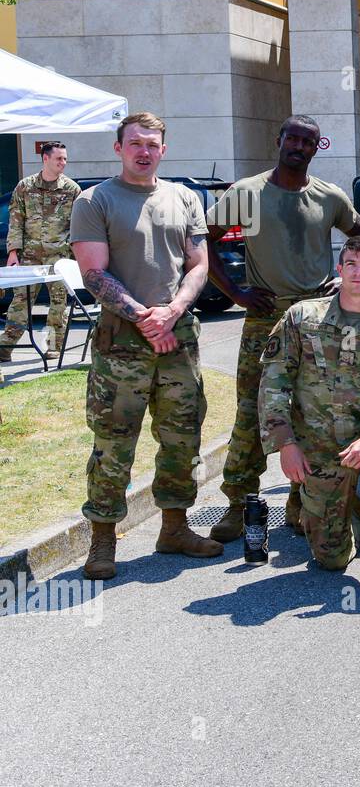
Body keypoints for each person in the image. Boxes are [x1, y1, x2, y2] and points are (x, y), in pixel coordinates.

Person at [70, 113, 221, 580]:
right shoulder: (94, 201)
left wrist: (172, 312)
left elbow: (199, 264)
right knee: (114, 443)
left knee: (182, 439)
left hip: (179, 340)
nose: (144, 151)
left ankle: (174, 528)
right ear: (118, 149)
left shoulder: (184, 198)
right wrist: (146, 318)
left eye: (152, 144)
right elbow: (93, 272)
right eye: (134, 143)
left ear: (163, 149)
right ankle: (102, 542)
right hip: (122, 345)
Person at [205, 115, 360, 543]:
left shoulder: (329, 197)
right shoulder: (247, 193)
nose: (298, 146)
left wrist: (343, 273)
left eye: (307, 141)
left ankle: (303, 501)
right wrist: (236, 293)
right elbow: (203, 239)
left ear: (317, 148)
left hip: (317, 320)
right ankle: (239, 504)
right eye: (292, 138)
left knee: (312, 412)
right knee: (251, 412)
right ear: (279, 140)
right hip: (265, 317)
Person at [258, 236, 360, 593]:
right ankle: (355, 516)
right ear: (340, 269)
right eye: (351, 264)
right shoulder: (302, 318)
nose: (358, 272)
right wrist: (285, 443)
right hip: (319, 444)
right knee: (329, 560)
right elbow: (274, 382)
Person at [0, 141, 79, 361]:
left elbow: (78, 224)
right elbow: (16, 221)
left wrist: (74, 255)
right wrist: (13, 252)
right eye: (59, 158)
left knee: (58, 304)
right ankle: (5, 348)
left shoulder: (72, 189)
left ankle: (54, 347)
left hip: (59, 256)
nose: (63, 162)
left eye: (65, 158)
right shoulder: (25, 187)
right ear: (45, 159)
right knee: (20, 302)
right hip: (30, 256)